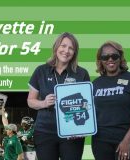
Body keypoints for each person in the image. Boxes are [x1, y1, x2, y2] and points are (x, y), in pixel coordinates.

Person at [27, 32, 90, 160]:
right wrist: (43, 103)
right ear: (56, 47)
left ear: (75, 52)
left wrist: (80, 129)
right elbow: (30, 101)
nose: (66, 51)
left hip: (72, 132)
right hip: (44, 131)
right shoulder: (41, 71)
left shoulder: (82, 73)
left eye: (71, 48)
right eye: (63, 46)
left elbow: (87, 105)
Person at [91, 41, 130, 160]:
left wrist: (126, 141)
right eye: (105, 57)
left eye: (114, 56)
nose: (110, 59)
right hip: (100, 143)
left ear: (120, 57)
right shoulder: (95, 84)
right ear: (100, 60)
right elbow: (88, 112)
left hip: (127, 141)